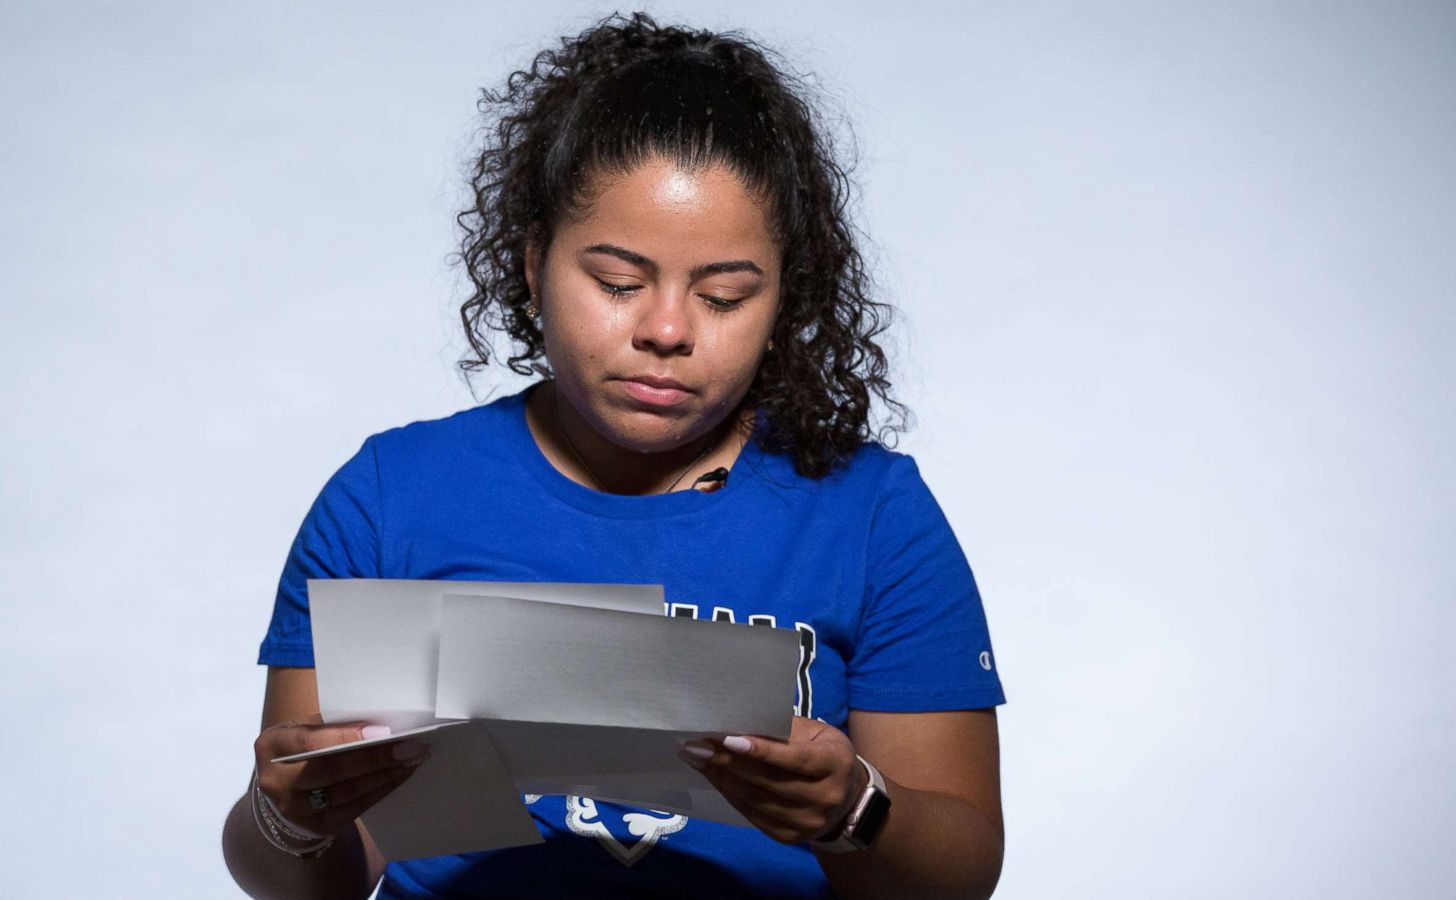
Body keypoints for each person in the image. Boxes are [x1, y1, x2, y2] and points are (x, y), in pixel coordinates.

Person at [222, 11, 1006, 899]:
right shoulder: (389, 498)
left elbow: (961, 876)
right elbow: (308, 880)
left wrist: (854, 810)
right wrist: (289, 816)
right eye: (618, 284)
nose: (666, 330)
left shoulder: (870, 513)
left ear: (784, 300)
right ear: (531, 265)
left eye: (723, 295)